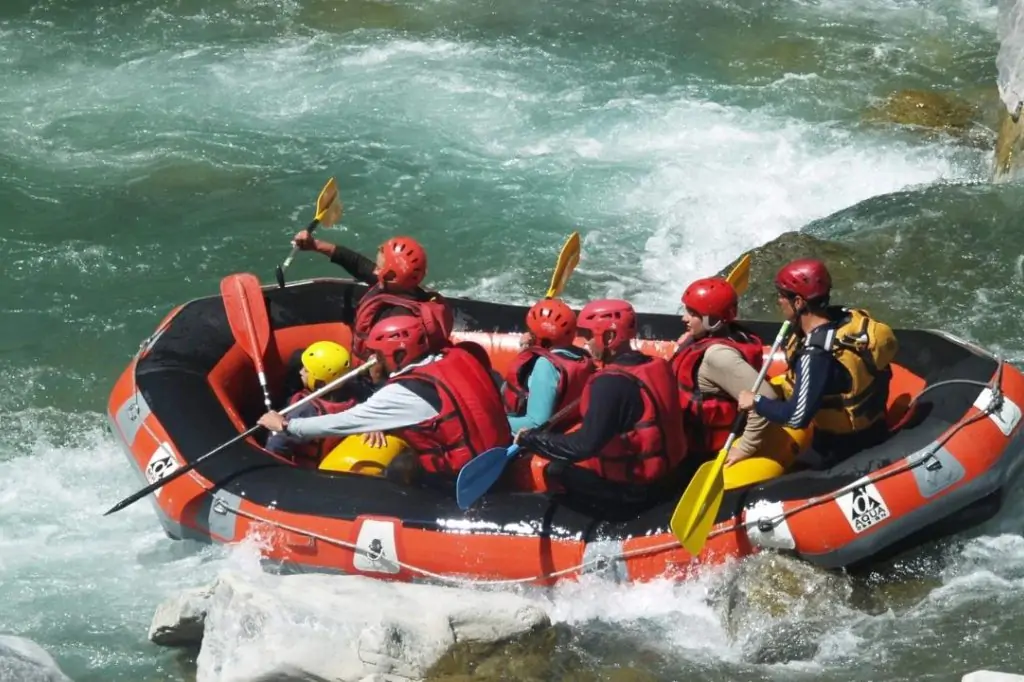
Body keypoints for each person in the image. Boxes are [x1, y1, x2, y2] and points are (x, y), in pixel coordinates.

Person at [257, 316, 511, 483]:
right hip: (498, 455)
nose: (372, 361)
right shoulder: (457, 357)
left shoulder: (404, 391)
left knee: (398, 469)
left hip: (463, 477)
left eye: (377, 355)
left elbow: (344, 422)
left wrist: (286, 425)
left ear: (398, 354)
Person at [515, 299, 687, 506]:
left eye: (588, 336)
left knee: (555, 470)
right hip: (670, 474)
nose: (585, 343)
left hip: (633, 492)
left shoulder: (609, 383)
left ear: (610, 337)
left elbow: (581, 447)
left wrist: (532, 439)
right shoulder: (655, 364)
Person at [737, 258, 899, 468]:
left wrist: (756, 401)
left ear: (798, 302)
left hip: (843, 449)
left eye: (782, 296)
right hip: (874, 428)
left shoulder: (815, 356)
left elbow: (796, 418)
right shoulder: (845, 319)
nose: (779, 301)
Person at [291, 226, 453, 359]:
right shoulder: (399, 285)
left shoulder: (398, 319)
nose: (374, 269)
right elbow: (356, 263)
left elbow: (386, 366)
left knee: (297, 362)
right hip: (371, 364)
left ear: (390, 275)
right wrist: (315, 245)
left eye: (379, 266)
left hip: (374, 377)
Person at [671, 277, 777, 465]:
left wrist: (745, 447)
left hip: (705, 451)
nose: (684, 318)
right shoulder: (727, 333)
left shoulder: (718, 356)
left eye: (692, 313)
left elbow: (766, 398)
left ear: (712, 320)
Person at [265, 341, 372, 466]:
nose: (301, 372)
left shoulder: (304, 410)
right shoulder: (359, 392)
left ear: (320, 384)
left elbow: (276, 447)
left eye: (306, 370)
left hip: (307, 470)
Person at [501, 298, 595, 435]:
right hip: (568, 424)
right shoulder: (582, 356)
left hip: (535, 435)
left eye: (531, 332)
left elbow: (536, 423)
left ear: (542, 339)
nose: (527, 334)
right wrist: (526, 349)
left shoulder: (546, 366)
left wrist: (496, 421)